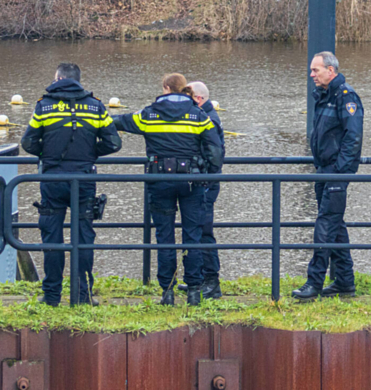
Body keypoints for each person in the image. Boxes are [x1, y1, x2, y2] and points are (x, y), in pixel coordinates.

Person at [114, 73, 223, 306]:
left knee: (164, 237)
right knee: (192, 236)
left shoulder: (149, 115)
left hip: (160, 180)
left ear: (165, 88)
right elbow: (215, 150)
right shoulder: (199, 115)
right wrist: (209, 176)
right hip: (192, 183)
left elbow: (118, 121)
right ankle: (194, 290)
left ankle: (167, 292)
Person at [20, 62, 121, 306]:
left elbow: (28, 142)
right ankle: (83, 295)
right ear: (78, 80)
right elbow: (114, 143)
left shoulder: (44, 106)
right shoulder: (95, 106)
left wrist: (48, 156)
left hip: (52, 180)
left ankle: (52, 296)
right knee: (84, 239)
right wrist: (88, 155)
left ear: (58, 79)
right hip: (84, 180)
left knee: (52, 239)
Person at [293, 52, 363, 301]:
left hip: (334, 171)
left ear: (330, 71)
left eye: (316, 70)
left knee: (324, 225)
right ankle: (345, 282)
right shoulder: (324, 95)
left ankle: (314, 283)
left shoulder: (346, 96)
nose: (312, 75)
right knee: (335, 226)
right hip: (324, 170)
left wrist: (340, 171)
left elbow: (353, 137)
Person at [187, 81, 225, 299]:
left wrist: (206, 179)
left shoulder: (208, 119)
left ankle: (211, 280)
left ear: (198, 99)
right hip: (205, 181)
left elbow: (215, 154)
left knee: (204, 231)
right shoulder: (206, 116)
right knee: (198, 230)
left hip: (206, 183)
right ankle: (203, 278)